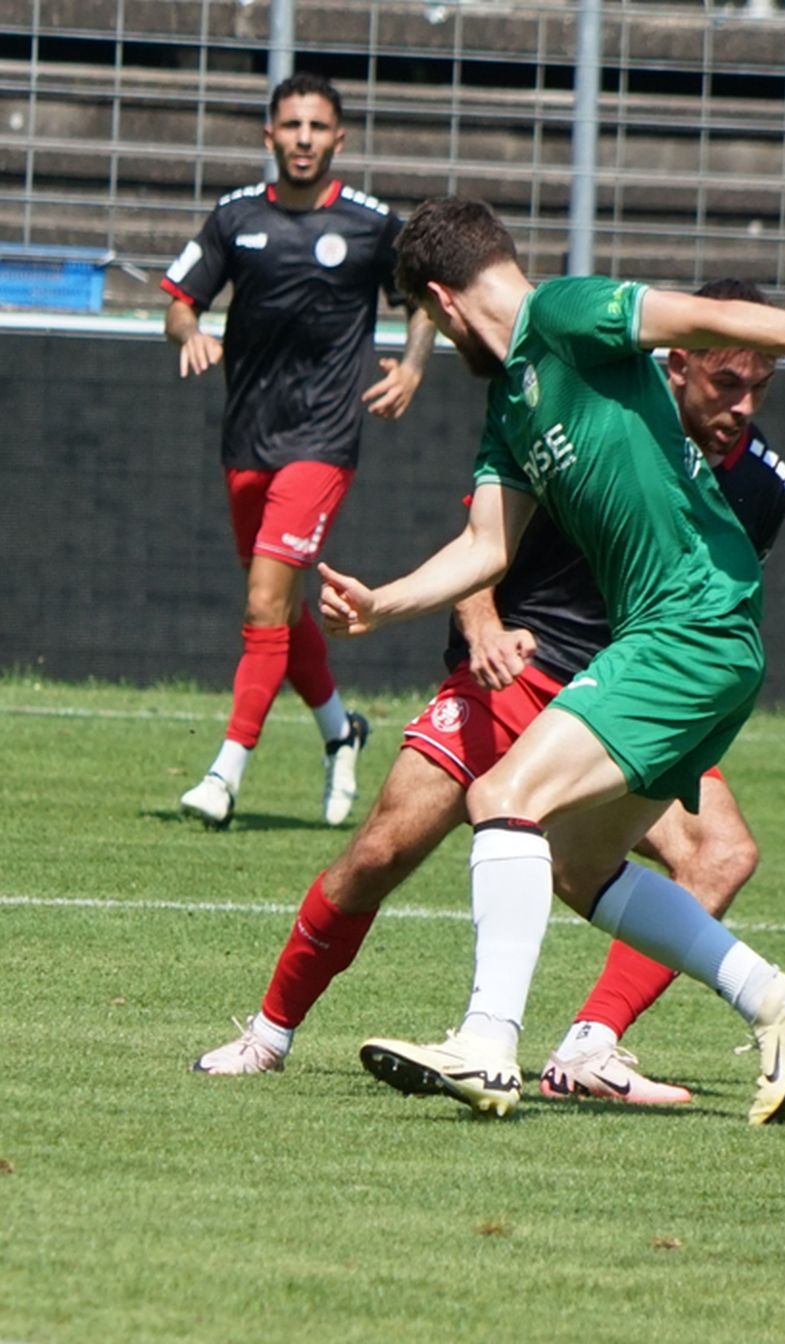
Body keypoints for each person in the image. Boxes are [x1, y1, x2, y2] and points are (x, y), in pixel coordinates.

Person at [320, 196, 785, 1125]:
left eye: (430, 322)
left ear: (443, 303)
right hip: (690, 636)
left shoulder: (563, 312)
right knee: (577, 864)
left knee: (503, 796)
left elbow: (712, 317)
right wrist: (383, 603)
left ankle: (487, 1044)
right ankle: (780, 1002)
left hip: (691, 625)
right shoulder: (511, 406)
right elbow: (487, 547)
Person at [191, 280, 785, 1108]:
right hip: (519, 670)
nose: (743, 405)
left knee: (718, 851)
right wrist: (481, 627)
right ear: (678, 362)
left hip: (624, 692)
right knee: (380, 853)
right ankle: (267, 1035)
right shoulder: (592, 398)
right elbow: (484, 536)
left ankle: (588, 1044)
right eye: (727, 382)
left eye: (761, 386)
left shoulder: (764, 480)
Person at [163, 71, 437, 830]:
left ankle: (223, 774)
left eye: (317, 127)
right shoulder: (235, 217)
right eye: (291, 126)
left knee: (262, 602)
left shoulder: (370, 224)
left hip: (323, 439)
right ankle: (341, 731)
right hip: (247, 438)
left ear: (338, 139)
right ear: (270, 136)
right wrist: (190, 333)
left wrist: (414, 365)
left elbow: (422, 300)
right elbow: (179, 301)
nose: (304, 139)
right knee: (280, 604)